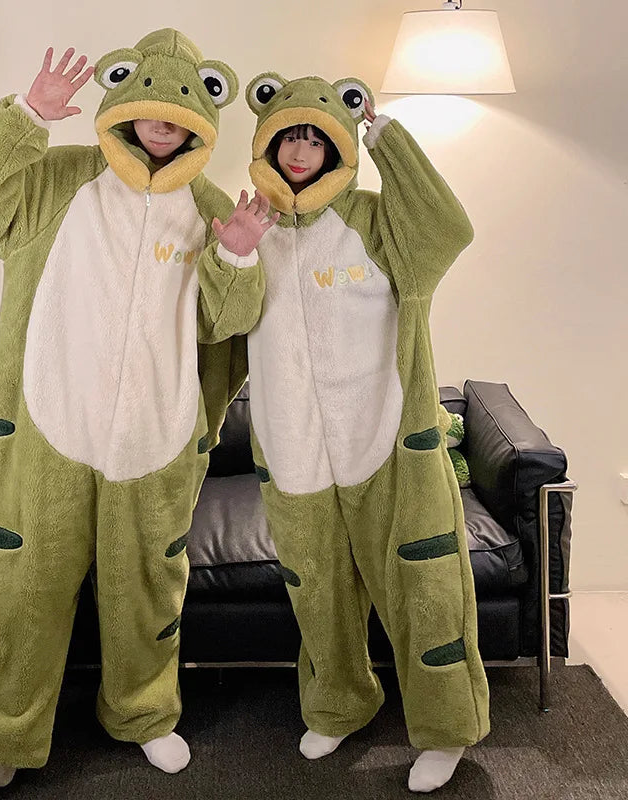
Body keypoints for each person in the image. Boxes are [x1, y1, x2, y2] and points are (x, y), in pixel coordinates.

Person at [0, 28, 276, 787]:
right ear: (124, 103)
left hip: (153, 436)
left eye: (181, 112)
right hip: (46, 430)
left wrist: (243, 251)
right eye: (151, 105)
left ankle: (145, 715)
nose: (165, 122)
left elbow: (230, 320)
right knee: (20, 586)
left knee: (146, 587)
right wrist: (27, 114)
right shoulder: (58, 179)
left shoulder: (212, 207)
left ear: (200, 119)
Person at [243, 72, 490, 793]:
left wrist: (387, 138)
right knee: (317, 592)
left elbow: (451, 229)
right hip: (293, 448)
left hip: (384, 440)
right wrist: (232, 250)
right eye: (289, 134)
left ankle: (446, 730)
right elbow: (220, 321)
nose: (301, 147)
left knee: (423, 589)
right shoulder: (250, 225)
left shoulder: (383, 221)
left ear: (339, 145)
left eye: (317, 136)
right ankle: (340, 706)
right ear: (267, 140)